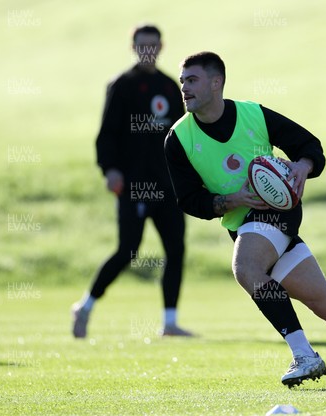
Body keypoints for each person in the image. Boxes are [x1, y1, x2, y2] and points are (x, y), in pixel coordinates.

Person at [164, 51, 326, 387]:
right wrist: (230, 200)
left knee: (246, 269)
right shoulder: (178, 138)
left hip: (278, 211)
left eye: (192, 80)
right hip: (244, 225)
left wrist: (302, 167)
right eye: (182, 81)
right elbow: (189, 200)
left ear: (216, 83)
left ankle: (304, 355)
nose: (184, 88)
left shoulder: (254, 114)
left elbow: (309, 145)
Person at [72, 24, 191, 338]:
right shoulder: (122, 85)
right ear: (133, 47)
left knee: (176, 249)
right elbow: (107, 135)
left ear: (161, 46)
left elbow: (183, 137)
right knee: (128, 250)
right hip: (134, 185)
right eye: (142, 44)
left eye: (153, 44)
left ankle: (170, 322)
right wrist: (110, 169)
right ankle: (85, 306)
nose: (147, 50)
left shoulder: (169, 87)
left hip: (167, 187)